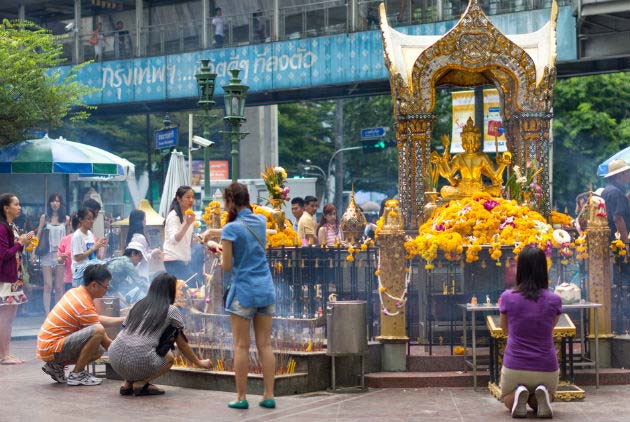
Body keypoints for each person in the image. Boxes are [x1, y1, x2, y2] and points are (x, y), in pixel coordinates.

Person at [108, 273, 212, 396]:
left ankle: (127, 383)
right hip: (138, 361)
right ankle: (142, 383)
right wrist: (199, 362)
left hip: (114, 356)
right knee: (169, 356)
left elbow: (126, 329)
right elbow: (182, 344)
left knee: (135, 344)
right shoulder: (171, 310)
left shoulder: (139, 304)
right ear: (170, 291)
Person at [220, 182, 276, 409]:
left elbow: (226, 266)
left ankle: (241, 398)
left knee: (241, 345)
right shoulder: (261, 221)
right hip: (266, 288)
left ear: (231, 201)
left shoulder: (230, 229)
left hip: (244, 290)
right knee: (265, 344)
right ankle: (269, 395)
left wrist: (218, 250)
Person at [499, 246, 562, 418]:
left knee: (507, 399)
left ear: (520, 269)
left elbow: (505, 330)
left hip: (515, 364)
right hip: (546, 365)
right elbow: (550, 327)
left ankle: (519, 393)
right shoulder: (554, 300)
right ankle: (540, 394)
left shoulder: (507, 297)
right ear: (544, 269)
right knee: (545, 399)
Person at [37, 264, 125, 385]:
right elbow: (101, 335)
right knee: (98, 332)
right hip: (52, 346)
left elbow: (96, 319)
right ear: (94, 285)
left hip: (48, 346)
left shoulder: (76, 292)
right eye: (106, 286)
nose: (107, 289)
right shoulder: (83, 303)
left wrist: (124, 319)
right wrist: (126, 355)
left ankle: (56, 365)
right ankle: (77, 374)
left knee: (98, 350)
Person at [431, 117, 511, 199]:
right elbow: (448, 174)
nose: (470, 143)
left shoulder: (482, 157)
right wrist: (442, 162)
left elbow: (495, 176)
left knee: (497, 190)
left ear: (476, 140)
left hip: (478, 188)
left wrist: (503, 165)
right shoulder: (459, 157)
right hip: (463, 189)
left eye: (472, 140)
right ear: (463, 141)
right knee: (444, 190)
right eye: (467, 140)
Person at [0, 193, 34, 365]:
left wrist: (24, 242)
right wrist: (20, 243)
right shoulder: (2, 227)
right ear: (6, 207)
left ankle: (6, 352)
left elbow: (15, 250)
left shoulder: (11, 226)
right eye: (16, 204)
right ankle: (3, 354)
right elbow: (3, 254)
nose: (19, 207)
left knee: (10, 315)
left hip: (15, 276)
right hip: (7, 278)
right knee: (6, 316)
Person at [34, 193, 70, 314]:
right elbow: (38, 234)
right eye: (53, 201)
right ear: (49, 203)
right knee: (48, 285)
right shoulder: (45, 217)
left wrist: (68, 254)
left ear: (61, 203)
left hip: (60, 255)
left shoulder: (66, 219)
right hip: (47, 255)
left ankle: (58, 314)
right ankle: (47, 313)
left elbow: (69, 238)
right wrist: (33, 252)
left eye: (58, 201)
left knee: (59, 287)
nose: (55, 203)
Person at [163, 186, 196, 282]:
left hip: (183, 259)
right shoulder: (173, 216)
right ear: (178, 198)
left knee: (189, 286)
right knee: (192, 284)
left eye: (192, 197)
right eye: (188, 197)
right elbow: (174, 239)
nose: (191, 200)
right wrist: (187, 224)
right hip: (173, 259)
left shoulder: (188, 215)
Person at [125, 209, 162, 280]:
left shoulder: (131, 236)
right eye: (144, 220)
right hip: (139, 274)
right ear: (140, 222)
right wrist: (153, 253)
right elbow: (138, 258)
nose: (145, 222)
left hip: (135, 274)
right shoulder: (139, 237)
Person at [601, 159, 630, 243]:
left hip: (609, 238)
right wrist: (626, 243)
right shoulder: (616, 193)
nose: (628, 174)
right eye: (626, 172)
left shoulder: (607, 190)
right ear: (619, 175)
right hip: (617, 242)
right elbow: (618, 218)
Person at [71, 208, 107, 274]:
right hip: (80, 272)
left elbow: (94, 255)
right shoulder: (77, 235)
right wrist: (93, 248)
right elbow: (77, 257)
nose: (91, 221)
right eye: (88, 219)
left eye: (92, 219)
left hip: (91, 270)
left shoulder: (90, 233)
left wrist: (98, 246)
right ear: (81, 220)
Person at [57, 214, 79, 291]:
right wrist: (62, 258)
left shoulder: (90, 238)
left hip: (85, 280)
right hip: (69, 279)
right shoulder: (65, 240)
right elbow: (59, 260)